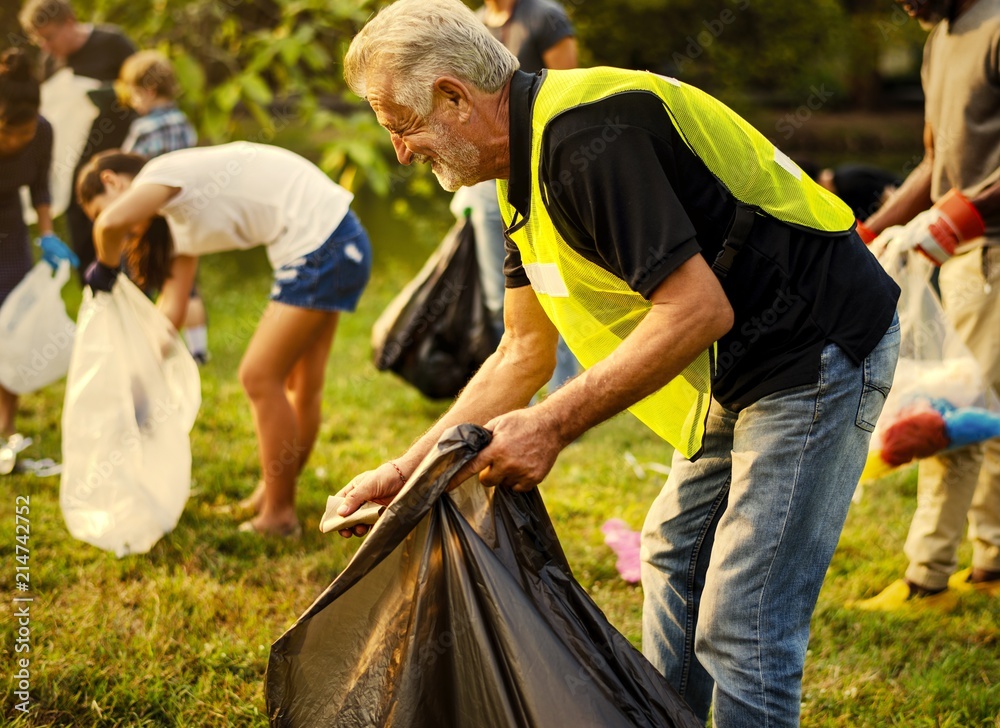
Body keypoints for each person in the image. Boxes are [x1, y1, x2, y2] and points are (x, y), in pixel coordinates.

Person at [336, 1, 901, 725]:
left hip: (815, 348)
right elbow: (521, 352)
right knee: (673, 558)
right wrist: (404, 474)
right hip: (731, 368)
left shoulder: (583, 141)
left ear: (454, 96)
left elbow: (696, 310)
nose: (402, 153)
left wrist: (549, 427)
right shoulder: (524, 165)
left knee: (745, 619)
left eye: (401, 125)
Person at [75, 143, 372, 537]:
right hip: (335, 243)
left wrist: (106, 269)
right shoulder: (172, 220)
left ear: (111, 180)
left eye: (99, 206)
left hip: (322, 248)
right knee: (302, 386)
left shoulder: (159, 174)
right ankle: (273, 496)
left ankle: (279, 516)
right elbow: (173, 308)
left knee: (258, 376)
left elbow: (109, 225)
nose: (128, 228)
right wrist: (140, 369)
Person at [851, 0, 1000, 610]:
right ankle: (989, 565)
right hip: (959, 253)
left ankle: (927, 580)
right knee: (982, 414)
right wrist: (866, 232)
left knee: (958, 417)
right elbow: (937, 164)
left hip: (991, 246)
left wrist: (959, 216)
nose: (903, 4)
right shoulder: (940, 36)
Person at [452, 0, 581, 394]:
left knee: (552, 285)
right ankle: (513, 394)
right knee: (500, 292)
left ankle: (563, 393)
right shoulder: (471, 25)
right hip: (486, 182)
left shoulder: (545, 17)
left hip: (541, 172)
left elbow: (569, 95)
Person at [19, 0, 136, 280]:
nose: (45, 47)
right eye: (39, 41)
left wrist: (104, 95)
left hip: (118, 170)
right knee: (87, 249)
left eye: (49, 37)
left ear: (70, 22)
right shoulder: (50, 61)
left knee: (127, 249)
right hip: (74, 173)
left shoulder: (112, 42)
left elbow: (141, 86)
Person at [0, 48, 76, 441]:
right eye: (7, 132)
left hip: (10, 228)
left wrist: (46, 233)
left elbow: (41, 184)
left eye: (23, 132)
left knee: (13, 326)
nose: (16, 140)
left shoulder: (42, 131)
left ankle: (5, 424)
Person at [117, 49, 209, 365]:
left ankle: (151, 346)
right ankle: (198, 350)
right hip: (183, 211)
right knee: (187, 285)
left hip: (152, 213)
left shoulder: (144, 128)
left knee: (149, 281)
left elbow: (129, 166)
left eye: (133, 94)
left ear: (148, 90)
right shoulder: (183, 122)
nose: (131, 101)